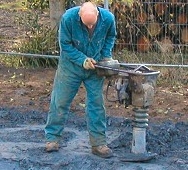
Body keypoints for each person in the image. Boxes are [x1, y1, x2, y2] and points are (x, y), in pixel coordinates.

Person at [44, 2, 116, 158]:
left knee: (96, 104)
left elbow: (110, 37)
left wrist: (105, 56)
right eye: (86, 25)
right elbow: (65, 45)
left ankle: (98, 143)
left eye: (92, 25)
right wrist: (82, 60)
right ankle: (52, 139)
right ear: (79, 16)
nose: (90, 28)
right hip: (70, 67)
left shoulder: (109, 19)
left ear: (98, 14)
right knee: (60, 102)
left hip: (95, 67)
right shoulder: (68, 19)